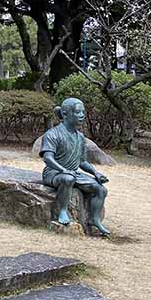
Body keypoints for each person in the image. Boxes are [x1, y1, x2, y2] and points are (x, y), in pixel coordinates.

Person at [39, 97, 111, 235]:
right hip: (53, 173)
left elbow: (82, 162)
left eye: (83, 112)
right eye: (78, 112)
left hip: (72, 173)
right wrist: (63, 170)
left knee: (100, 189)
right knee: (67, 179)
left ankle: (94, 220)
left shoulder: (80, 137)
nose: (82, 115)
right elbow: (48, 158)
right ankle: (62, 211)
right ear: (65, 114)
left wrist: (96, 173)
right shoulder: (52, 134)